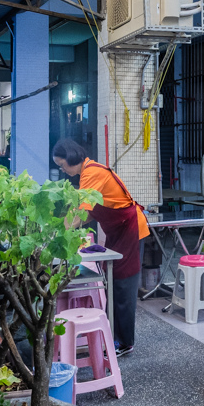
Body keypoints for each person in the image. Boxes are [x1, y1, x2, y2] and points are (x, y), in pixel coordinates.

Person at [52, 139, 149, 357]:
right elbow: (86, 214)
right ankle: (112, 336)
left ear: (71, 157)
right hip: (118, 232)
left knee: (123, 285)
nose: (62, 169)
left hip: (131, 229)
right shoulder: (86, 175)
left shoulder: (91, 173)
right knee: (112, 284)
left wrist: (60, 235)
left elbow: (79, 214)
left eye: (62, 164)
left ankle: (124, 343)